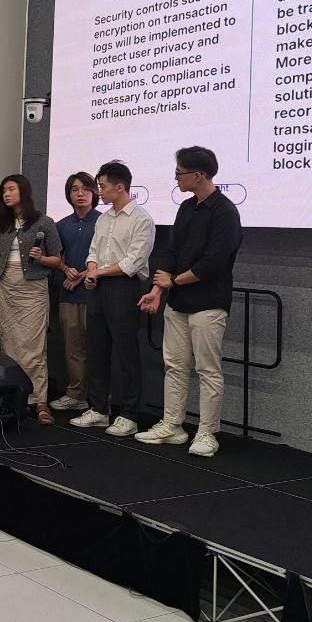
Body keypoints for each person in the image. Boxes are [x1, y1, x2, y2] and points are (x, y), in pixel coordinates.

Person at [136, 146, 243, 457]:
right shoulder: (185, 208)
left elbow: (214, 262)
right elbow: (171, 252)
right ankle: (173, 424)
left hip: (209, 302)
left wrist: (174, 281)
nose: (176, 178)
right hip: (178, 302)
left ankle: (207, 432)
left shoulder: (225, 211)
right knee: (174, 366)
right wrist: (158, 290)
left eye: (179, 173)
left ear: (199, 175)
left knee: (207, 369)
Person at [71, 161, 155, 437]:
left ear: (120, 187)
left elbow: (134, 262)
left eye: (103, 186)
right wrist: (92, 271)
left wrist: (98, 272)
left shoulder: (141, 219)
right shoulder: (104, 218)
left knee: (126, 353)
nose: (99, 191)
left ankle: (129, 414)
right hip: (98, 286)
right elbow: (93, 252)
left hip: (125, 287)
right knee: (97, 349)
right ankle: (98, 409)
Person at [0, 174, 63, 424]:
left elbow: (57, 260)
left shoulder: (44, 222)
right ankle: (13, 398)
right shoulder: (1, 222)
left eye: (11, 189)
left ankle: (39, 401)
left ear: (24, 191)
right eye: (4, 190)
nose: (6, 194)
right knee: (8, 344)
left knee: (34, 346)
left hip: (32, 288)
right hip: (4, 285)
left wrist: (41, 258)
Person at [50, 172, 100, 412]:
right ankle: (76, 394)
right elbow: (55, 257)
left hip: (96, 293)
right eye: (74, 189)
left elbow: (110, 256)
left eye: (85, 189)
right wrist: (65, 269)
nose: (80, 194)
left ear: (95, 192)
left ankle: (100, 400)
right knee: (73, 348)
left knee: (98, 347)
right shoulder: (61, 225)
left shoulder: (104, 222)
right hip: (68, 295)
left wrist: (81, 275)